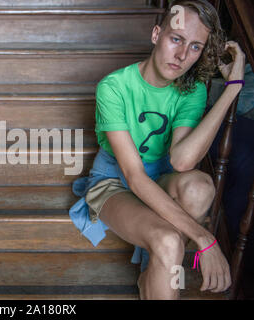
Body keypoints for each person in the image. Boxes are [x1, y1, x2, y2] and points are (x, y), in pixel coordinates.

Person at [69, 0, 246, 299]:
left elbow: (181, 160)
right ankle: (158, 269)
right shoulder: (114, 87)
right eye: (176, 39)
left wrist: (232, 89)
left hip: (162, 178)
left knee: (200, 188)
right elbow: (135, 177)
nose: (181, 55)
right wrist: (204, 238)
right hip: (114, 183)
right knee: (168, 241)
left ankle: (153, 275)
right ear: (155, 35)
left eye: (194, 47)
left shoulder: (191, 91)